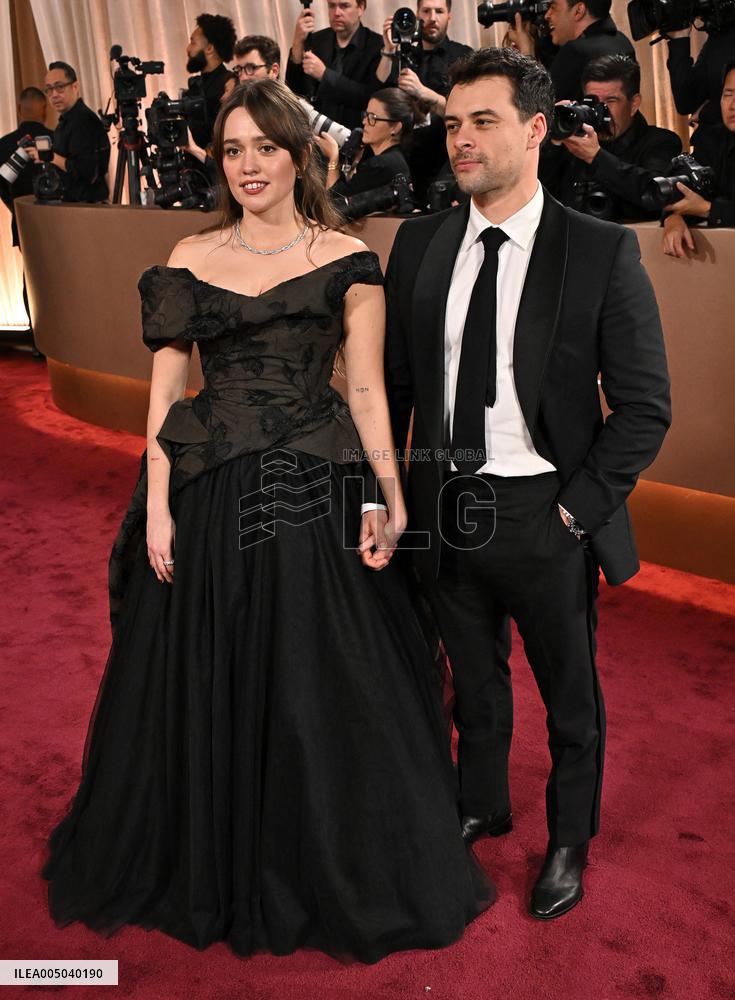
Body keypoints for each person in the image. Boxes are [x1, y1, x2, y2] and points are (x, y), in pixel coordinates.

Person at [41, 78, 493, 962]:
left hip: (314, 491)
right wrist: (157, 507)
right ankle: (214, 851)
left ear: (299, 155)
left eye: (265, 147)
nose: (248, 165)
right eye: (233, 149)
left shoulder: (348, 259)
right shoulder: (188, 254)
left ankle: (316, 858)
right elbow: (165, 398)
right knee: (211, 675)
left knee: (318, 683)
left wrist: (391, 494)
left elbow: (366, 390)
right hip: (208, 495)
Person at [382, 47, 671, 920]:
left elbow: (644, 408)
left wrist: (573, 513)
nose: (460, 140)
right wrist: (386, 495)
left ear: (536, 128)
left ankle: (568, 839)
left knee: (569, 698)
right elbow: (395, 389)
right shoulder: (420, 242)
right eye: (451, 124)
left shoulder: (598, 250)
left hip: (544, 509)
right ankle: (482, 803)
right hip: (444, 502)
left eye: (483, 121)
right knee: (471, 681)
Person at [540, 55, 682, 221]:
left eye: (611, 100)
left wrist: (596, 157)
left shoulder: (661, 142)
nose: (601, 110)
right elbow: (538, 198)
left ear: (634, 104)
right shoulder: (573, 144)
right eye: (593, 101)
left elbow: (654, 192)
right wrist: (555, 140)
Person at [375, 0, 471, 202]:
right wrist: (388, 50)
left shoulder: (463, 55)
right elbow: (378, 92)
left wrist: (422, 92)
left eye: (439, 11)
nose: (432, 18)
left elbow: (467, 112)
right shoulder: (405, 54)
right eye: (426, 11)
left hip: (445, 160)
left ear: (449, 16)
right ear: (417, 15)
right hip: (405, 161)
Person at [663, 60, 735, 255]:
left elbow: (702, 205)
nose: (733, 105)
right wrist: (674, 217)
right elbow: (686, 187)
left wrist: (707, 208)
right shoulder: (712, 139)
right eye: (728, 94)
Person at [510, 0, 635, 100]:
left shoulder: (576, 52)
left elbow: (537, 107)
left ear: (578, 11)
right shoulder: (622, 41)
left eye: (553, 7)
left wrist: (526, 53)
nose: (547, 15)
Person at [286, 0, 382, 130]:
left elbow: (371, 97)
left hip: (357, 133)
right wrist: (297, 42)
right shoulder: (317, 40)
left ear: (361, 8)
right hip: (315, 133)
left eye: (344, 6)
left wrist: (325, 75)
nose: (336, 13)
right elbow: (294, 91)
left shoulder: (377, 46)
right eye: (332, 6)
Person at [25, 62, 109, 203]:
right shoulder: (68, 120)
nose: (54, 95)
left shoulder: (82, 120)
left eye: (59, 87)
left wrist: (52, 157)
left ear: (75, 87)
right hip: (72, 206)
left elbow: (87, 173)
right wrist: (47, 157)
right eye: (49, 89)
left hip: (85, 207)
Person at [319, 88, 415, 200]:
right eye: (366, 115)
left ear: (395, 127)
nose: (364, 121)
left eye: (372, 117)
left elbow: (332, 201)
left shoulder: (382, 165)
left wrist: (333, 158)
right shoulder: (390, 160)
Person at [666, 23, 735, 150]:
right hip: (711, 150)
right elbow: (685, 102)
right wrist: (680, 38)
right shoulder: (720, 37)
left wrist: (706, 111)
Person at [0, 86, 48, 246]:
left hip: (22, 222)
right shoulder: (57, 139)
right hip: (55, 218)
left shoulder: (3, 144)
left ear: (19, 109)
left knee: (29, 262)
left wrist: (16, 206)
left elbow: (2, 186)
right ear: (45, 110)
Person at [186, 12, 237, 148]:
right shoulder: (196, 84)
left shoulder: (229, 84)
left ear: (209, 48)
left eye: (193, 42)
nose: (188, 49)